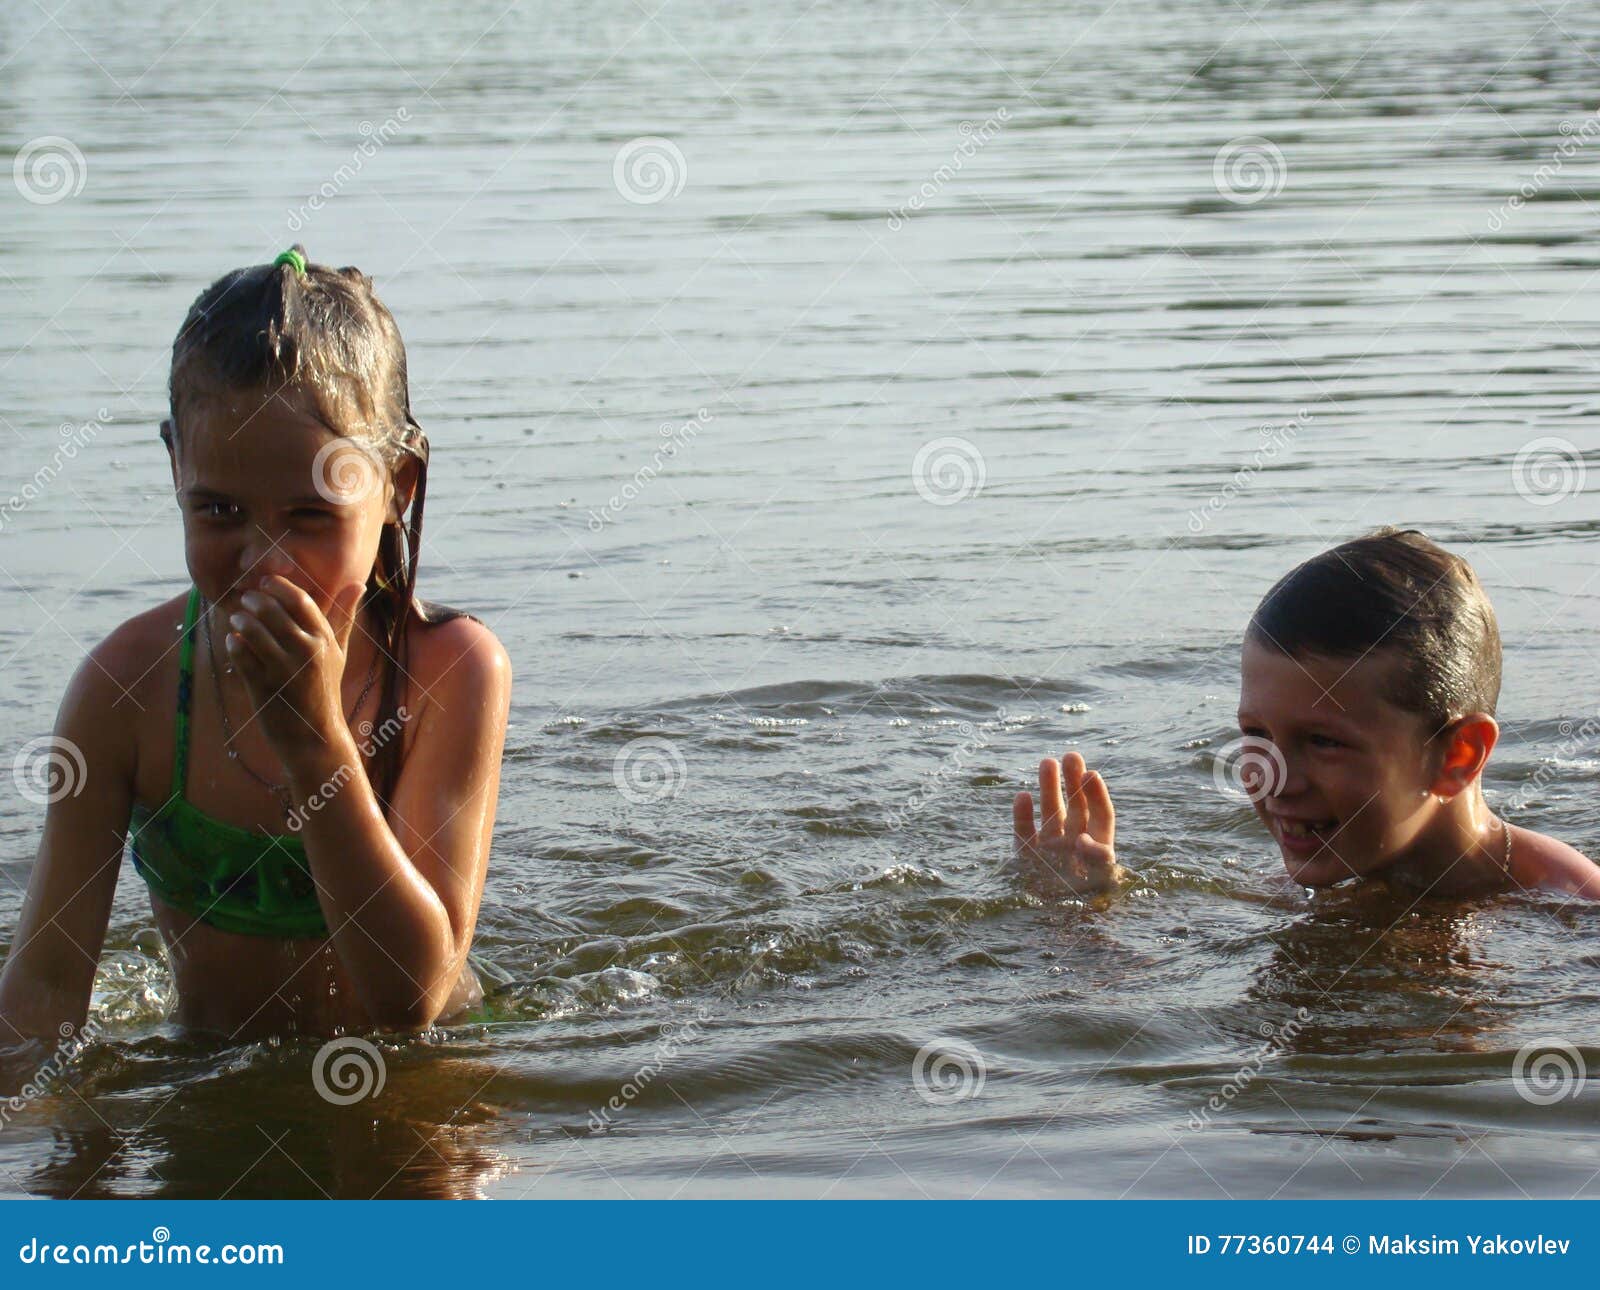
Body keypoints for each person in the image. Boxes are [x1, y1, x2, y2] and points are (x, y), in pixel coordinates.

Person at [0, 246, 512, 1068]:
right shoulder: (125, 687)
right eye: (221, 511)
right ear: (175, 469)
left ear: (397, 487)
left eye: (311, 516)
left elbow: (407, 1001)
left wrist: (314, 739)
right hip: (211, 1069)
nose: (264, 560)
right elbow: (44, 994)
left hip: (420, 1084)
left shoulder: (452, 670)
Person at [1012, 528, 1600, 900]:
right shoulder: (1328, 875)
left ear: (1457, 755)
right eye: (1256, 735)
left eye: (1323, 741)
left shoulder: (1566, 908)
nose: (1273, 779)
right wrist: (1087, 906)